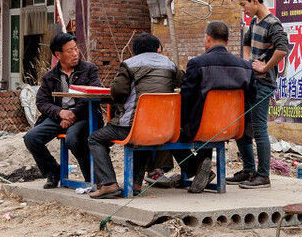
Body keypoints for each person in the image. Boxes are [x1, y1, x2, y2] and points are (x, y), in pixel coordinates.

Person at [88, 33, 183, 199]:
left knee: (95, 139)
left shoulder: (129, 65)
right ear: (157, 48)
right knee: (143, 135)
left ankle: (109, 184)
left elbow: (117, 91)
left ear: (134, 51)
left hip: (131, 126)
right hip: (163, 127)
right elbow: (183, 83)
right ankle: (136, 184)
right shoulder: (171, 65)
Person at [176, 20, 252, 194]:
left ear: (208, 38)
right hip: (232, 128)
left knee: (170, 133)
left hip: (201, 128)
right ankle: (200, 169)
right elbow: (250, 98)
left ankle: (194, 168)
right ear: (226, 41)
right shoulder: (245, 66)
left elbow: (185, 97)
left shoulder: (197, 63)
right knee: (208, 124)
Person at [24, 32, 101, 188]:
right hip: (59, 117)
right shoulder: (50, 76)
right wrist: (60, 113)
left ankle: (91, 176)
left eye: (75, 49)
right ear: (58, 54)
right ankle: (53, 171)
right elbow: (42, 101)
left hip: (84, 116)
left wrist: (73, 114)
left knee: (73, 138)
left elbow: (95, 93)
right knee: (31, 138)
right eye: (69, 51)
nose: (75, 54)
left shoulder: (89, 70)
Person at [232, 0, 288, 188]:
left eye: (243, 4)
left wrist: (264, 67)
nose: (243, 9)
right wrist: (249, 62)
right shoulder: (254, 22)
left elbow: (282, 49)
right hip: (249, 81)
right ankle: (248, 170)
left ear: (254, 0)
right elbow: (247, 43)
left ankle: (263, 175)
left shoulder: (273, 24)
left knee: (258, 128)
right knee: (242, 127)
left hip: (263, 84)